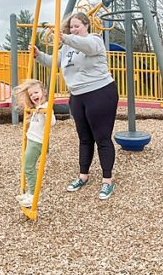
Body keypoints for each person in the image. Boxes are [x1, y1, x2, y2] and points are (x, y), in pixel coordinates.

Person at [31, 12, 118, 200]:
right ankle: (83, 175)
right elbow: (55, 62)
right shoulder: (67, 48)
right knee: (84, 138)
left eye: (77, 25)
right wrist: (38, 55)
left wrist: (66, 38)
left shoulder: (94, 40)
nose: (73, 29)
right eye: (71, 27)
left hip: (100, 92)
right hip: (77, 96)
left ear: (86, 25)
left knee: (102, 137)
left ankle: (107, 181)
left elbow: (85, 46)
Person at [14, 79, 56, 208]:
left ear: (43, 92)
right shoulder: (36, 108)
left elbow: (52, 122)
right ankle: (30, 193)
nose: (34, 96)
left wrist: (46, 111)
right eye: (31, 95)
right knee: (27, 166)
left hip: (37, 142)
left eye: (36, 92)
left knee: (28, 167)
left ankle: (33, 195)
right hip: (32, 140)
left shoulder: (46, 106)